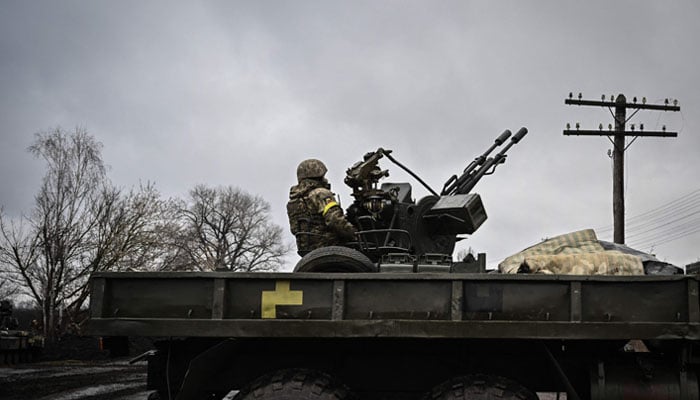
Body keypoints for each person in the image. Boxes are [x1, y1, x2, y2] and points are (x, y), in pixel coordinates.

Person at [287, 159, 357, 255]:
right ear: (317, 175)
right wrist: (355, 234)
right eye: (323, 176)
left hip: (307, 249)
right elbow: (335, 219)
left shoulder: (294, 201)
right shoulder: (320, 193)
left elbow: (295, 229)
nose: (325, 179)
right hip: (330, 244)